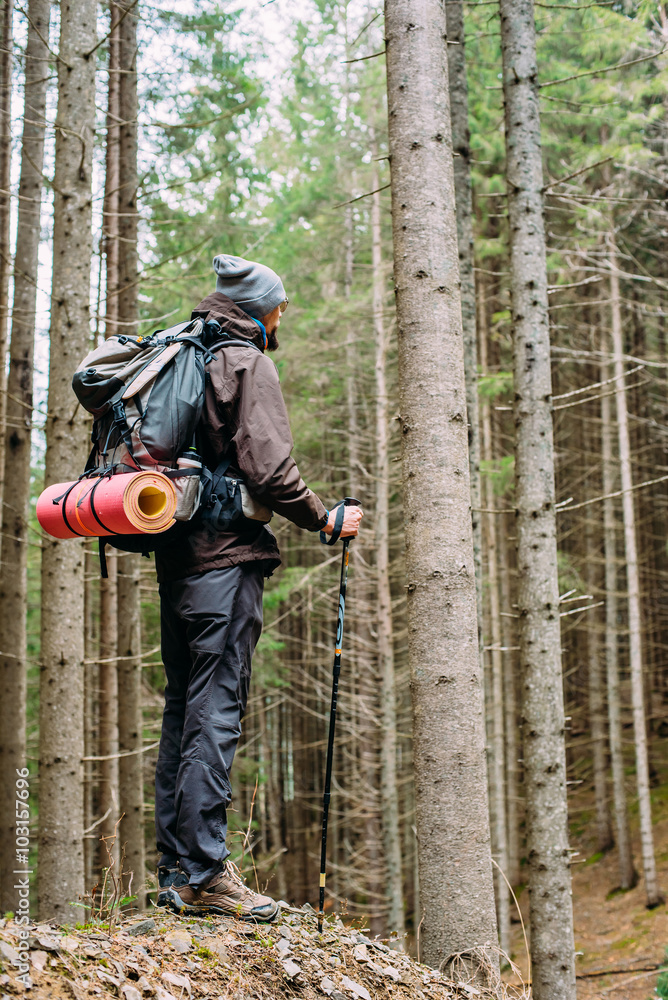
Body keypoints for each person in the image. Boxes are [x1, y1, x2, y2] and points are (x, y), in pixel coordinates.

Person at [154, 254, 363, 921]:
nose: (284, 316)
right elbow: (269, 470)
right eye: (279, 306)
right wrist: (323, 518)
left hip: (178, 561)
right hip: (225, 563)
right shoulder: (247, 363)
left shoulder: (186, 355)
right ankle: (208, 873)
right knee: (216, 711)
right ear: (256, 310)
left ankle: (178, 871)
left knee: (184, 710)